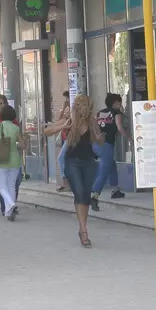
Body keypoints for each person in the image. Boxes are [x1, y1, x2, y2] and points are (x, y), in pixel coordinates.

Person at [45, 94, 103, 247]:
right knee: (79, 191)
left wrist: (99, 138)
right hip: (72, 162)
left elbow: (100, 142)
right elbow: (47, 132)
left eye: (87, 107)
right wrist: (62, 127)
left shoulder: (92, 122)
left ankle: (82, 226)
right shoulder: (70, 121)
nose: (85, 110)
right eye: (83, 107)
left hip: (89, 162)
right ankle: (84, 230)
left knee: (84, 194)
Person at [91, 93, 129, 211]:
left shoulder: (100, 112)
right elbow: (119, 127)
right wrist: (130, 139)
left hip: (96, 144)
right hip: (106, 145)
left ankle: (115, 190)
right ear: (115, 103)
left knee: (111, 165)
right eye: (120, 102)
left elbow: (95, 127)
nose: (121, 105)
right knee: (104, 171)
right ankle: (94, 196)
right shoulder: (116, 113)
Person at [0, 94, 21, 215]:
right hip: (15, 159)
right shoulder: (15, 126)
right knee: (11, 185)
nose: (2, 105)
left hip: (1, 158)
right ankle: (8, 211)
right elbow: (21, 144)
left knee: (2, 186)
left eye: (3, 103)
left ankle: (10, 205)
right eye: (0, 103)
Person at [55, 91, 71, 192]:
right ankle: (66, 182)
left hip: (71, 138)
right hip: (65, 138)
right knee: (65, 159)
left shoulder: (73, 111)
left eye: (68, 98)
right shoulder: (67, 110)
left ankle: (66, 183)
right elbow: (58, 121)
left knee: (61, 158)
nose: (66, 101)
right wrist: (63, 108)